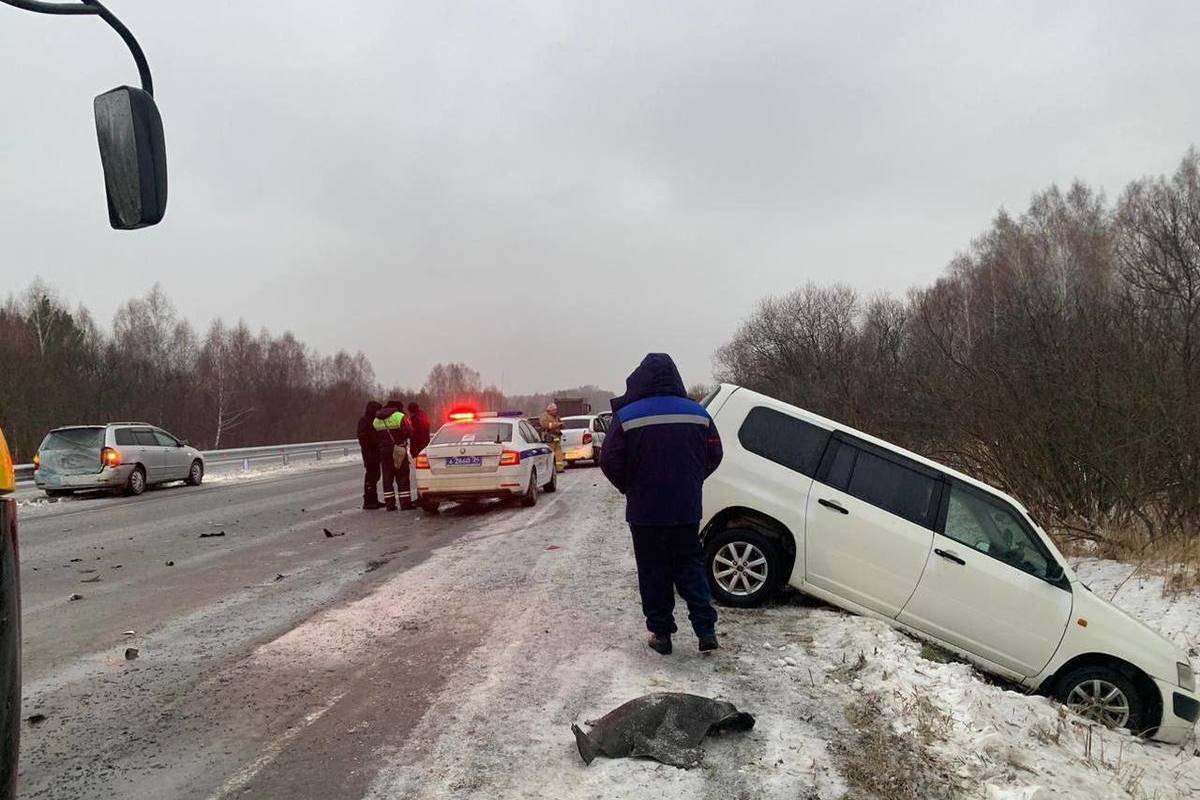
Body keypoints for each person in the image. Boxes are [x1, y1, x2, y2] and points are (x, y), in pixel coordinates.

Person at [600, 353, 723, 655]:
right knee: (691, 566)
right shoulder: (698, 413)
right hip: (686, 508)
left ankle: (662, 634)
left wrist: (628, 486)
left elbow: (608, 460)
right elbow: (715, 454)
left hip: (645, 511)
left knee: (653, 569)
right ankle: (706, 631)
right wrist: (694, 480)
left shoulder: (627, 416)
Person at [374, 399, 415, 511]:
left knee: (387, 477)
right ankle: (405, 503)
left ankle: (390, 504)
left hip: (384, 450)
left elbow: (374, 435)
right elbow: (409, 431)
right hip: (398, 448)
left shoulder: (376, 419)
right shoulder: (399, 416)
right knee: (402, 476)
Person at [357, 400, 384, 510]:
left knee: (375, 476)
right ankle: (368, 501)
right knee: (371, 476)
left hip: (375, 452)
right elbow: (363, 437)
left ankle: (373, 499)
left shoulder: (373, 420)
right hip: (369, 453)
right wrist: (375, 443)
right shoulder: (364, 421)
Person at [539, 403, 565, 473]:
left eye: (556, 410)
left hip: (557, 437)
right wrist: (557, 424)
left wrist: (562, 425)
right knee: (550, 454)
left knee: (559, 454)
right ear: (549, 410)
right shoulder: (544, 416)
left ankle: (559, 468)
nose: (555, 411)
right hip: (549, 437)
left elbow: (561, 423)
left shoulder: (556, 416)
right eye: (554, 410)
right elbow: (545, 425)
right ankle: (550, 469)